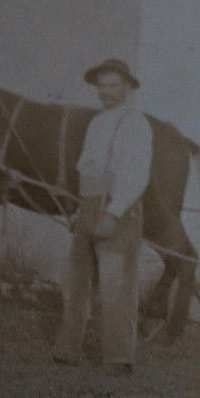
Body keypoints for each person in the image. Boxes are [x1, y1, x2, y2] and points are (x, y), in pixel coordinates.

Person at [51, 58, 153, 375]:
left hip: (118, 208)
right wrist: (82, 210)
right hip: (90, 203)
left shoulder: (136, 123)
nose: (106, 92)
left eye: (113, 85)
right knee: (77, 281)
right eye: (101, 86)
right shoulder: (97, 123)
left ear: (127, 87)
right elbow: (86, 170)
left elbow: (135, 176)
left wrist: (113, 212)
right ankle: (68, 350)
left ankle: (118, 358)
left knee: (117, 283)